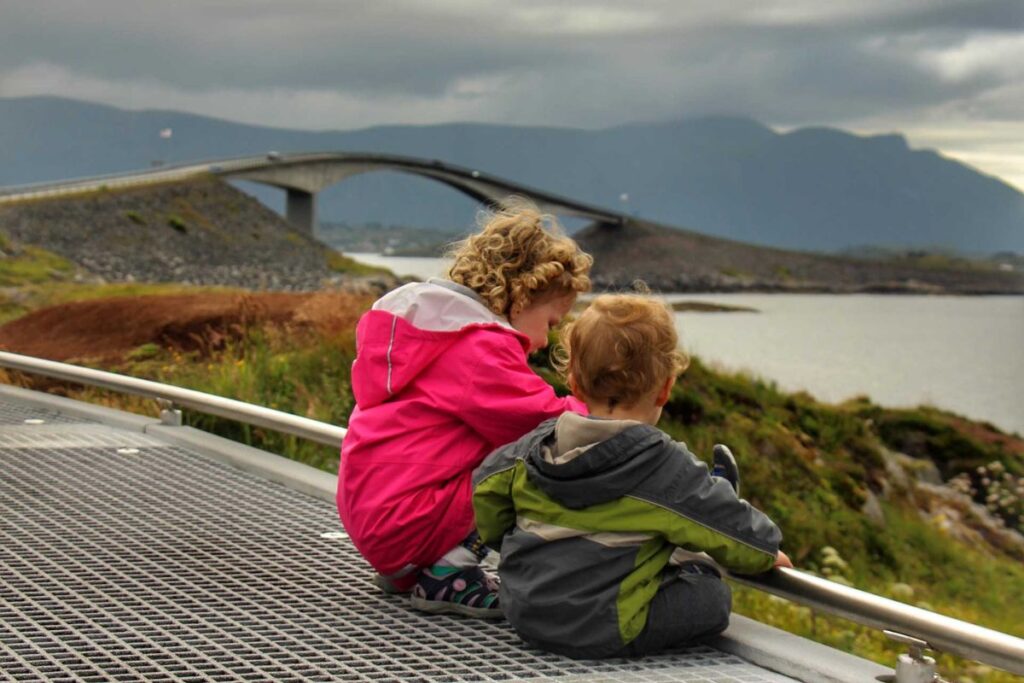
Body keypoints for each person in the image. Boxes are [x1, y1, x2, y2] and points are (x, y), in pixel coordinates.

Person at [472, 293, 792, 657]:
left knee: (653, 530)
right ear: (666, 388)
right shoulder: (663, 465)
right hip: (605, 628)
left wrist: (511, 541)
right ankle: (705, 518)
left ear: (574, 382)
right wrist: (766, 549)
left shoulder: (533, 448)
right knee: (712, 595)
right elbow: (744, 536)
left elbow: (485, 486)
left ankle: (689, 521)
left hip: (525, 614)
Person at [336, 198, 593, 619]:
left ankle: (419, 567)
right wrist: (607, 417)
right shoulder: (478, 348)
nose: (546, 341)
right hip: (407, 524)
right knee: (535, 459)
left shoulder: (435, 333)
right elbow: (548, 420)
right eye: (549, 323)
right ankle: (447, 573)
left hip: (380, 519)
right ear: (522, 296)